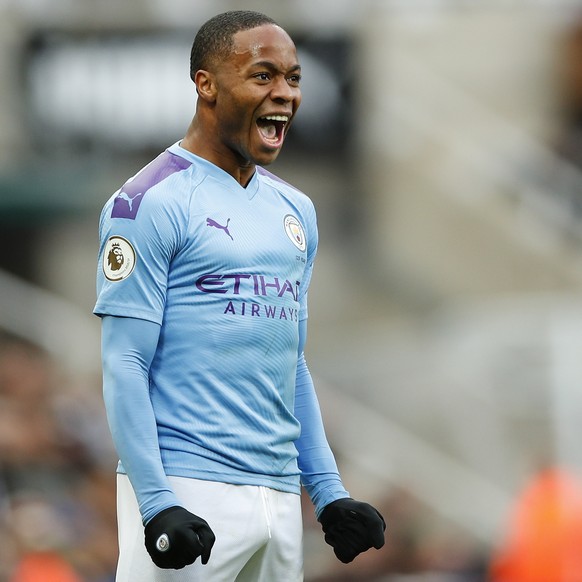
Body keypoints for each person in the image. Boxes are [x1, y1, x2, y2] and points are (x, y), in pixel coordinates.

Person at [94, 10, 385, 581]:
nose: (284, 94)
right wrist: (157, 503)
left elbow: (289, 361)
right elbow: (124, 362)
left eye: (294, 78)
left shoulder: (295, 210)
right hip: (188, 493)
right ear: (205, 83)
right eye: (262, 76)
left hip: (277, 497)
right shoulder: (147, 203)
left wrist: (327, 492)